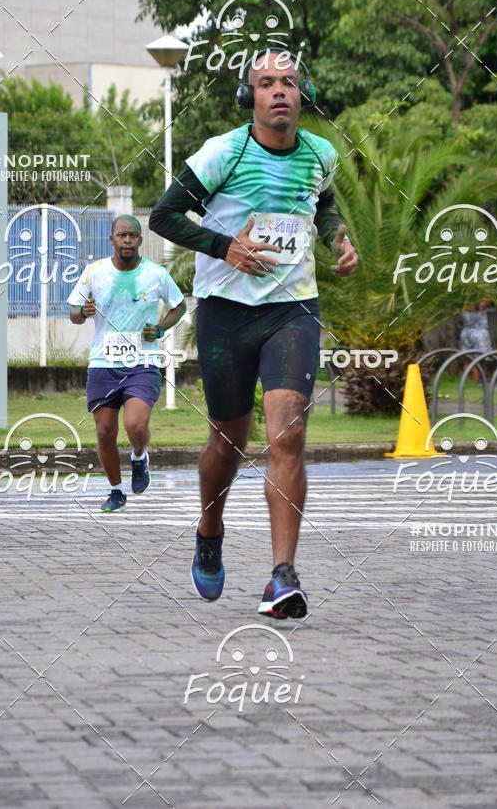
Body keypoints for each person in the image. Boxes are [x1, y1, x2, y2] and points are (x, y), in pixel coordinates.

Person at [149, 47, 358, 619]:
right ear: (251, 97)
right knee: (229, 443)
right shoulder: (224, 152)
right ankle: (210, 527)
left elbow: (324, 205)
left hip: (292, 309)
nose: (279, 92)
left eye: (288, 82)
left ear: (302, 93)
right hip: (226, 313)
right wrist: (226, 248)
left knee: (287, 436)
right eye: (266, 83)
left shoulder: (321, 154)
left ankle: (282, 575)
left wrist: (337, 241)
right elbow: (164, 217)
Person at [68, 214, 186, 512]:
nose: (127, 240)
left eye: (132, 235)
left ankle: (139, 456)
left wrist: (160, 328)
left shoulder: (156, 274)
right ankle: (115, 490)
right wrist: (84, 310)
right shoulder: (94, 272)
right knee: (105, 432)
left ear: (140, 240)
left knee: (135, 424)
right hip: (102, 364)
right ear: (112, 240)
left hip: (142, 361)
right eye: (122, 235)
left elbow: (180, 305)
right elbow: (73, 313)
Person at [459, 298, 492, 384]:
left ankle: (465, 383)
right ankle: (474, 383)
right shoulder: (480, 307)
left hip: (466, 333)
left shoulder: (464, 306)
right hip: (479, 334)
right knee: (477, 362)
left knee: (467, 360)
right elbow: (488, 299)